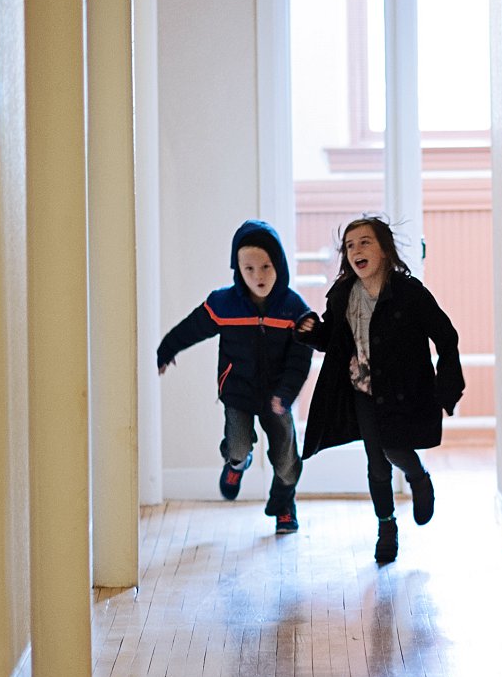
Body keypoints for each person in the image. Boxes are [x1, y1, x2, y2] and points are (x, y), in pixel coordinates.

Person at [296, 217, 464, 566]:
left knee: (394, 449)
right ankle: (386, 528)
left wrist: (446, 384)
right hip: (363, 391)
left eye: (364, 242)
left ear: (385, 250)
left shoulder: (409, 293)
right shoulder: (343, 295)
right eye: (349, 245)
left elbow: (446, 336)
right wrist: (310, 331)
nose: (356, 250)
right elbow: (331, 339)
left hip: (404, 390)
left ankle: (418, 478)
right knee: (376, 463)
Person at [156, 219, 312, 533]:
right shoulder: (224, 304)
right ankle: (236, 465)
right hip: (238, 391)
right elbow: (191, 328)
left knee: (286, 460)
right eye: (249, 268)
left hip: (278, 395)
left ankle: (284, 505)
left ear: (279, 264)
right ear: (237, 269)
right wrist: (166, 350)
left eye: (266, 267)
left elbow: (300, 359)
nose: (259, 276)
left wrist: (286, 393)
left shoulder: (293, 309)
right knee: (239, 447)